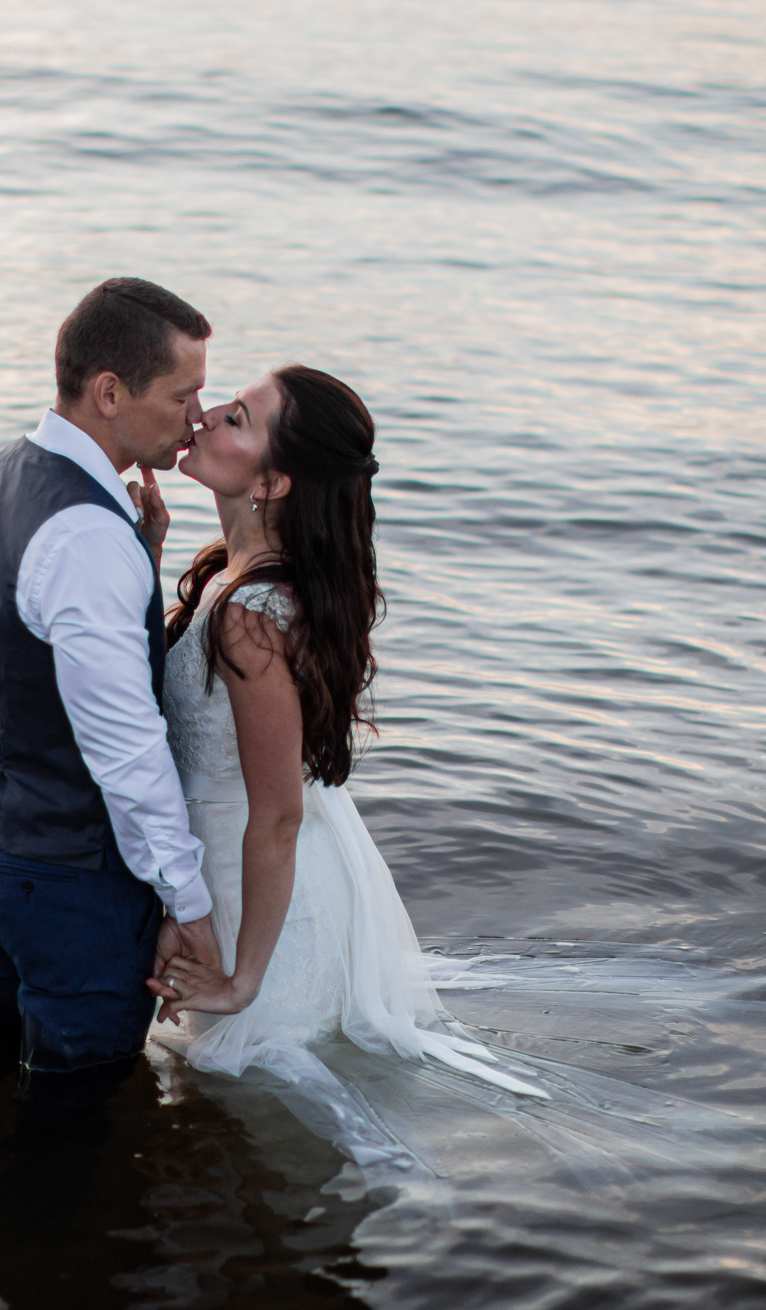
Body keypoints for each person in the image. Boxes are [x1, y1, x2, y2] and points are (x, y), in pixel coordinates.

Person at [145, 365, 544, 1110]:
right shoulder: (232, 578)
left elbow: (279, 813)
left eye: (235, 418)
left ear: (273, 483)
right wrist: (148, 549)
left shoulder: (252, 614)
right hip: (234, 877)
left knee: (263, 1117)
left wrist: (243, 979)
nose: (202, 416)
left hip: (261, 903)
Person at [0, 277, 223, 1115]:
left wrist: (144, 559)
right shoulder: (90, 536)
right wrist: (189, 903)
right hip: (62, 884)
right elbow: (125, 744)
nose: (196, 416)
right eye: (183, 393)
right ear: (109, 392)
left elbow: (15, 659)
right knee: (80, 1118)